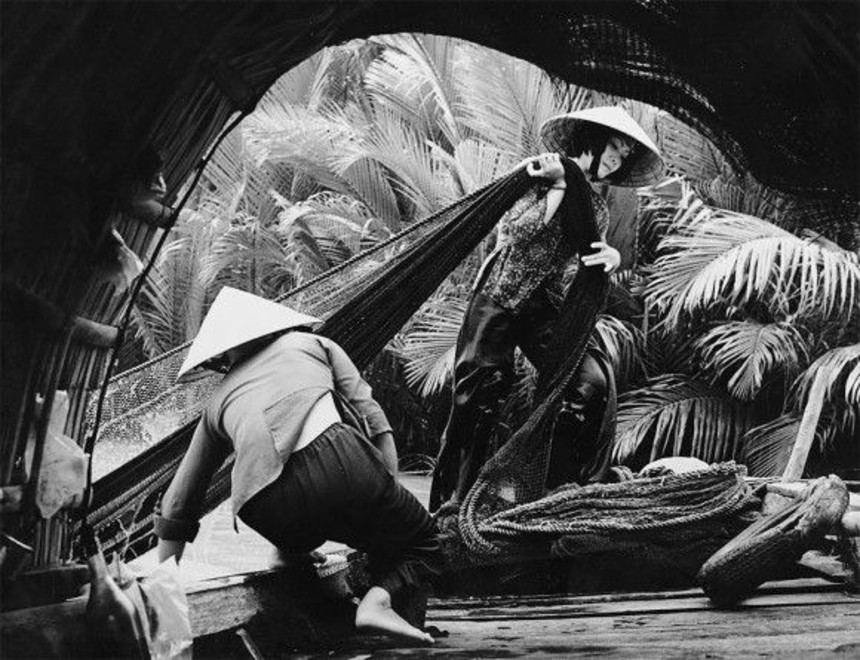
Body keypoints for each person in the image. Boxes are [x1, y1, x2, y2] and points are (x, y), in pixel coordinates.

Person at [155, 287, 440, 645]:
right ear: (272, 325)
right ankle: (376, 603)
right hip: (341, 467)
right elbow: (374, 419)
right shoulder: (313, 344)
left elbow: (179, 504)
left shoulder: (217, 403)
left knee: (302, 526)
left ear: (223, 353)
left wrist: (164, 591)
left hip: (262, 507)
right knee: (427, 540)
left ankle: (290, 552)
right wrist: (386, 492)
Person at [430, 106, 663, 511]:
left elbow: (588, 254)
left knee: (590, 384)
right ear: (593, 139)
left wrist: (611, 256)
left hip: (543, 306)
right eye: (615, 147)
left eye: (625, 155)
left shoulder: (597, 208)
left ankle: (557, 492)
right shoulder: (536, 174)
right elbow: (516, 233)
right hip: (500, 295)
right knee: (479, 395)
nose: (617, 159)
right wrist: (558, 187)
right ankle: (457, 502)